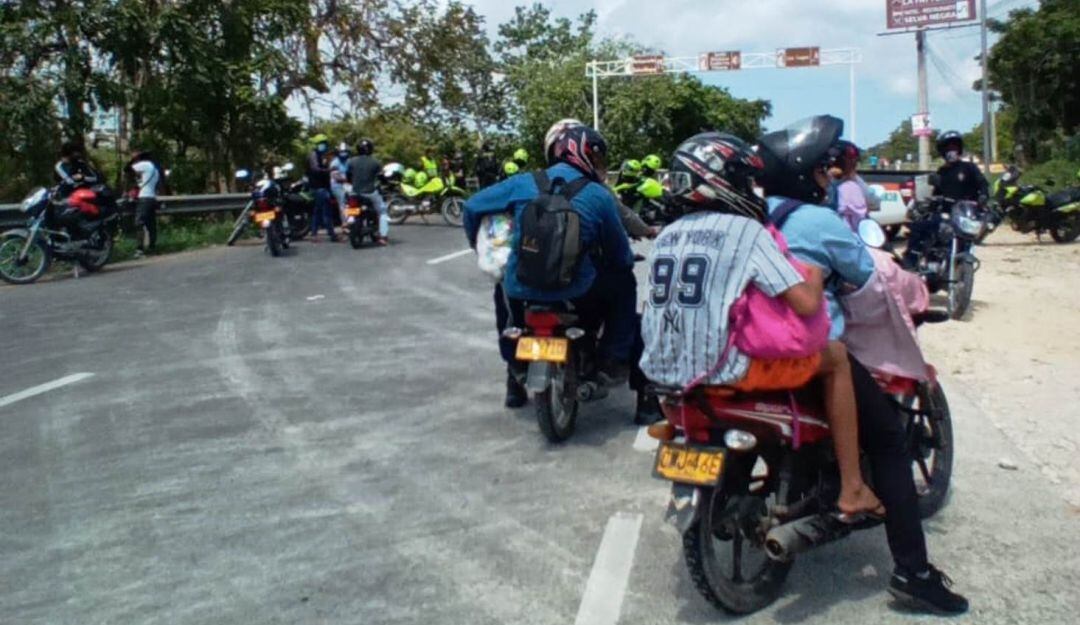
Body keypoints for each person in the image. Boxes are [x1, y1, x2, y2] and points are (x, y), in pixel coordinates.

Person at [756, 115, 968, 614]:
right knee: (890, 440)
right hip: (809, 354)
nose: (828, 178)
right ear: (806, 173)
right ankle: (914, 574)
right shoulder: (819, 222)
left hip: (749, 352)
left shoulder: (750, 216)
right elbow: (861, 278)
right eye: (822, 171)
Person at [642, 131, 881, 521]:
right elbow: (804, 303)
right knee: (836, 357)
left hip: (664, 375)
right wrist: (815, 274)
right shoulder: (746, 232)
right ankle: (853, 487)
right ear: (724, 181)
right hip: (725, 368)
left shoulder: (667, 236)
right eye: (743, 179)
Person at [464, 122, 638, 410]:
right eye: (596, 158)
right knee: (625, 284)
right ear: (581, 153)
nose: (599, 165)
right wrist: (623, 262)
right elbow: (620, 254)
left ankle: (514, 368)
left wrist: (477, 245)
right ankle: (611, 360)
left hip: (522, 289)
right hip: (577, 289)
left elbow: (472, 207)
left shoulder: (522, 182)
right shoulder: (598, 194)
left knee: (502, 289)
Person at [903, 131, 989, 267]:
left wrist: (983, 196)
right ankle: (911, 261)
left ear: (959, 149)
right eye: (948, 149)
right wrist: (929, 202)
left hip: (964, 214)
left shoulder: (969, 168)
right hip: (946, 214)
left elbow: (983, 184)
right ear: (943, 152)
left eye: (954, 148)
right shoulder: (942, 172)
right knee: (920, 227)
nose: (952, 151)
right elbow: (936, 194)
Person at [345, 139, 389, 245]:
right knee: (383, 212)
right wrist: (386, 182)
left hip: (354, 192)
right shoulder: (376, 162)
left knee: (349, 206)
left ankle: (349, 221)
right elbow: (382, 177)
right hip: (370, 192)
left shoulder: (350, 161)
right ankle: (383, 236)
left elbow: (348, 176)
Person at [125, 150, 164, 257]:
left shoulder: (145, 165)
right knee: (151, 224)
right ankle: (152, 248)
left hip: (144, 198)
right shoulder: (155, 169)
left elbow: (127, 169)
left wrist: (131, 160)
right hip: (152, 198)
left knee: (139, 223)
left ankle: (140, 250)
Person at [306, 134, 337, 242]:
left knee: (318, 210)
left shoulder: (321, 155)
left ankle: (314, 233)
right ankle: (331, 233)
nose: (324, 145)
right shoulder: (313, 155)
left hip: (322, 186)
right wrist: (328, 170)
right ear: (317, 144)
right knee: (326, 210)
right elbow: (315, 169)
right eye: (322, 143)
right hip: (318, 187)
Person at [330, 143, 352, 228]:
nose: (343, 154)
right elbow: (336, 176)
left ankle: (353, 218)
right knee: (342, 201)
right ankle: (344, 223)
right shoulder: (335, 163)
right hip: (337, 185)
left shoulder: (349, 161)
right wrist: (346, 180)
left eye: (345, 152)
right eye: (342, 152)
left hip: (348, 184)